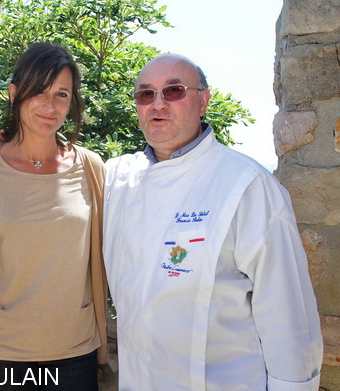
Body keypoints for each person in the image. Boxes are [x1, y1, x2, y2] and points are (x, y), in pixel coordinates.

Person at [103, 53, 323, 390]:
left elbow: (287, 311)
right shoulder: (117, 178)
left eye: (174, 91)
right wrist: (2, 152)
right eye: (146, 94)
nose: (157, 104)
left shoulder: (247, 184)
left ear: (203, 100)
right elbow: (54, 180)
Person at [0, 42, 108, 390]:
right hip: (2, 353)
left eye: (61, 94)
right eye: (39, 91)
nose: (50, 106)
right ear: (14, 94)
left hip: (75, 350)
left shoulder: (91, 167)